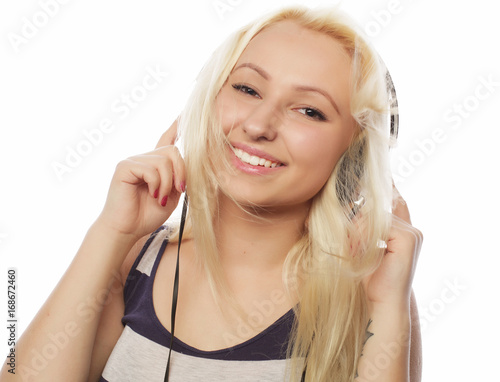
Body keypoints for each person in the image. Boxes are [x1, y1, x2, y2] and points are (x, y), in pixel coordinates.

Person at [1, 6, 423, 382]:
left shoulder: (371, 290)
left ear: (354, 158)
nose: (259, 125)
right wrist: (110, 232)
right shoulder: (135, 262)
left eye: (309, 110)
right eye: (247, 89)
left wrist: (387, 303)